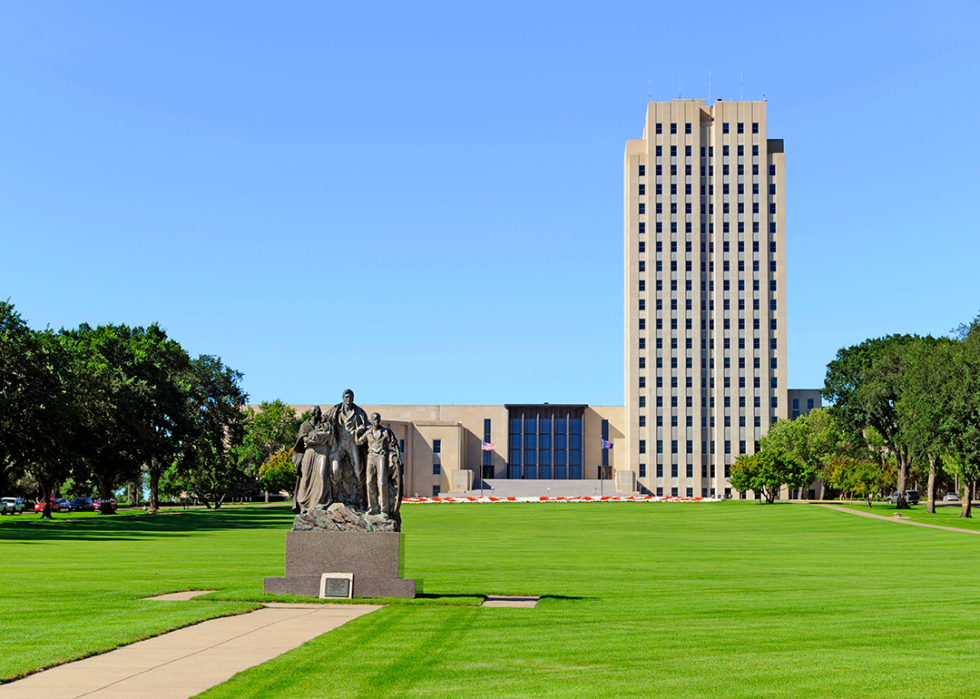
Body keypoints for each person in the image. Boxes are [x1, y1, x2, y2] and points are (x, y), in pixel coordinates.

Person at [324, 390, 369, 511]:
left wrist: (362, 428)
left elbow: (368, 426)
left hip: (353, 444)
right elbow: (323, 420)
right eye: (346, 396)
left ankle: (361, 500)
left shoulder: (359, 412)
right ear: (343, 397)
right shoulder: (336, 410)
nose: (348, 398)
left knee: (358, 472)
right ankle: (334, 498)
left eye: (350, 397)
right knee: (335, 469)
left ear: (353, 398)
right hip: (339, 444)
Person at [355, 413, 400, 516]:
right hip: (371, 457)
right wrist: (356, 433)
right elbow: (358, 442)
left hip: (381, 456)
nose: (376, 421)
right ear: (371, 420)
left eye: (378, 419)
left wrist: (397, 456)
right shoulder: (368, 433)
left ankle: (384, 510)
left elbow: (394, 444)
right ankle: (373, 507)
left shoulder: (386, 432)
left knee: (381, 482)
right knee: (369, 481)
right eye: (374, 419)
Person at [291, 406, 334, 514]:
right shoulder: (305, 425)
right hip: (310, 452)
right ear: (312, 414)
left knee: (322, 474)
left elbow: (328, 435)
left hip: (322, 451)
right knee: (306, 477)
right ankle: (304, 504)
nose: (319, 414)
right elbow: (304, 439)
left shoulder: (324, 424)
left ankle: (320, 502)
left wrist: (314, 438)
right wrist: (317, 438)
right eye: (317, 413)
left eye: (319, 412)